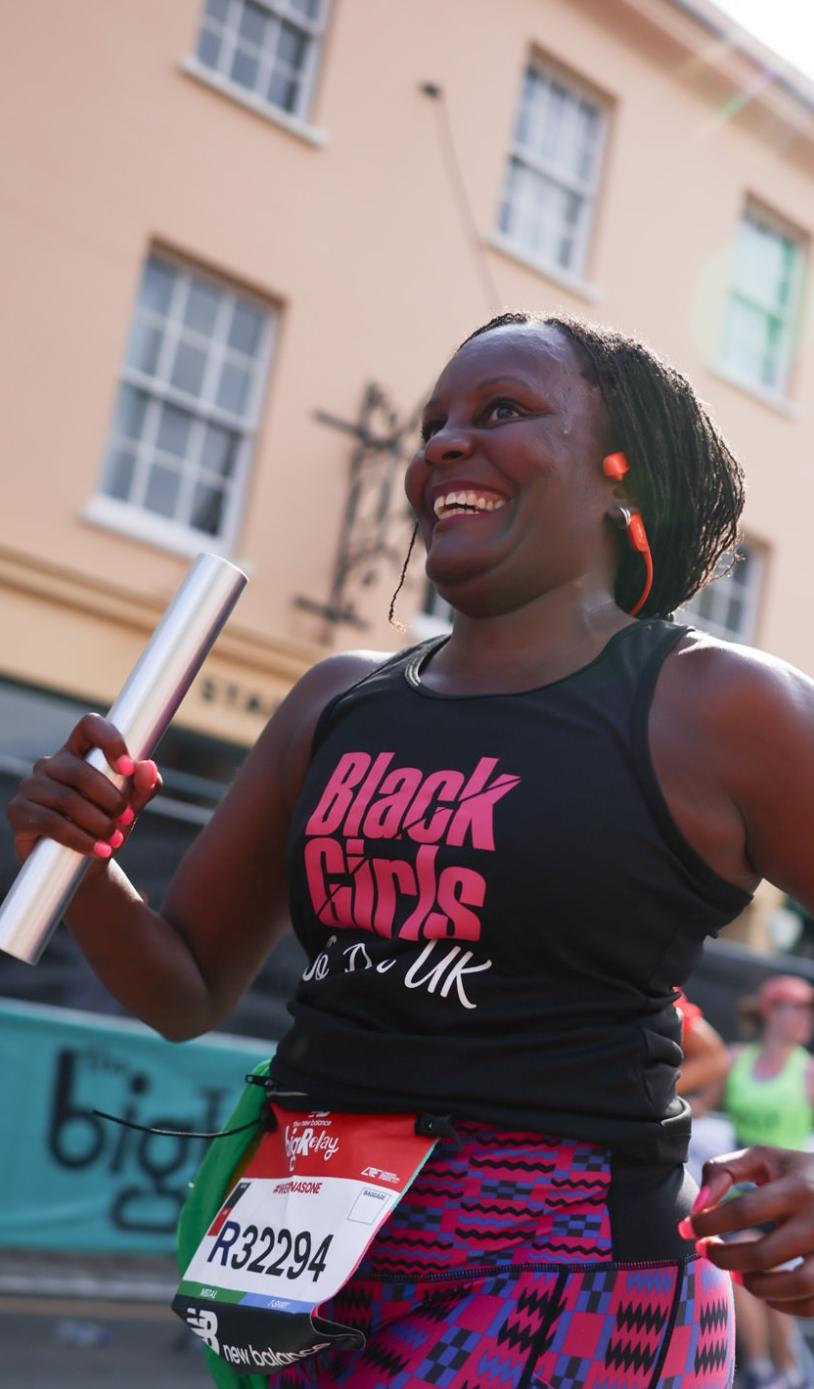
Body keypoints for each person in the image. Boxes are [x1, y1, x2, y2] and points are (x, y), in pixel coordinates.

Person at [11, 310, 814, 1388]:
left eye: (502, 410)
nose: (444, 442)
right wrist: (84, 858)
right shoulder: (337, 701)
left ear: (621, 474)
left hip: (565, 1274)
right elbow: (185, 988)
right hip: (296, 1254)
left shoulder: (715, 703)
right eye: (433, 423)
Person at [699, 976, 814, 1389]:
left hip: (788, 1199)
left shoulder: (808, 1072)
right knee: (739, 1268)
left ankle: (782, 1371)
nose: (808, 1018)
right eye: (800, 1007)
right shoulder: (735, 1059)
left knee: (758, 1264)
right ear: (771, 1011)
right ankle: (771, 1371)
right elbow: (699, 1106)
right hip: (739, 1194)